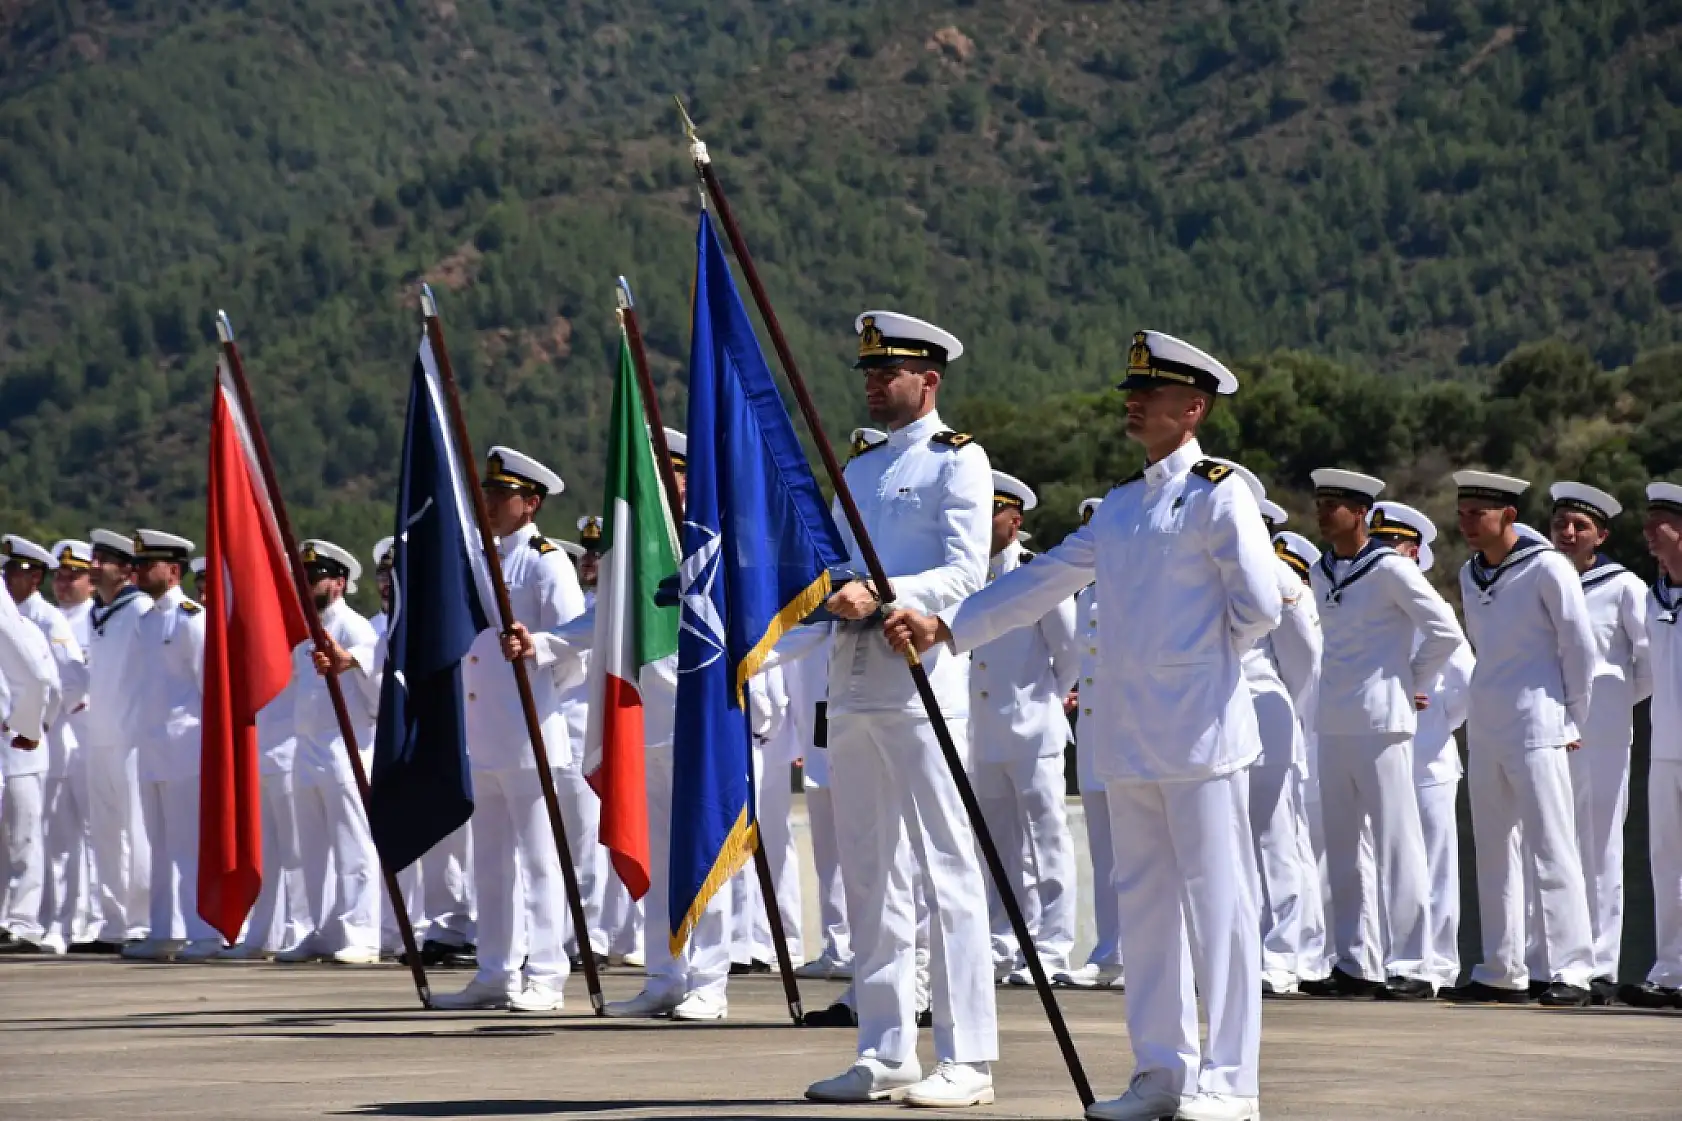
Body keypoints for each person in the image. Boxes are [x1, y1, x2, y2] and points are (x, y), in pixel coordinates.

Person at [887, 329, 1280, 1121]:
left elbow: (1260, 607)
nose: (1133, 402)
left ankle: (1232, 1082)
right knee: (1143, 910)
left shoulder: (1219, 492)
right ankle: (1160, 1072)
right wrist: (947, 627)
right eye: (1132, 391)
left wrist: (1196, 664)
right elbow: (1043, 579)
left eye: (1152, 393)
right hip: (1130, 738)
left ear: (1192, 407)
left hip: (1202, 735)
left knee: (1221, 908)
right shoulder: (1127, 506)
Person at [803, 311, 998, 1110]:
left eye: (891, 373)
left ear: (931, 380)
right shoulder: (859, 468)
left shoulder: (961, 462)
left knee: (947, 869)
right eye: (870, 374)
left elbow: (964, 573)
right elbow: (836, 564)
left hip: (920, 685)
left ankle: (969, 1056)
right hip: (853, 683)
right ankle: (885, 1047)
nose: (876, 384)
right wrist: (834, 592)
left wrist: (882, 593)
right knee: (870, 871)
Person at [433, 447, 585, 1012]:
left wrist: (538, 651)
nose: (490, 504)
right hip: (486, 731)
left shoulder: (547, 562)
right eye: (487, 494)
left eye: (501, 495)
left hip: (530, 730)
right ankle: (495, 969)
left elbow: (579, 645)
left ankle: (546, 973)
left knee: (541, 860)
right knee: (490, 861)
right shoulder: (481, 558)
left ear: (531, 503)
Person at [1302, 471, 1463, 1001]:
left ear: (1362, 514)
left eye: (1336, 505)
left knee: (1398, 843)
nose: (1324, 513)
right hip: (1336, 720)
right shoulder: (1321, 572)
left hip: (1382, 722)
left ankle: (1413, 962)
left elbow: (1445, 631)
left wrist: (1409, 682)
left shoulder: (1390, 569)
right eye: (1321, 503)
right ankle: (1354, 960)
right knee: (1345, 849)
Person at [1441, 471, 1597, 1007]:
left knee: (1552, 846)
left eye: (1476, 514)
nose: (1466, 523)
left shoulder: (1548, 567)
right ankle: (1500, 967)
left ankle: (1571, 970)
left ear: (1508, 515)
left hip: (1537, 722)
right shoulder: (1469, 572)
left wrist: (1573, 716)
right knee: (1493, 850)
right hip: (1487, 724)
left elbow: (1578, 648)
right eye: (1462, 513)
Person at [968, 469, 1079, 987]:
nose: (984, 521)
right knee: (997, 845)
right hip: (981, 731)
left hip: (1033, 728)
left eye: (994, 511)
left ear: (1015, 520)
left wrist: (1043, 703)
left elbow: (1070, 654)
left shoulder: (1036, 575)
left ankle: (1052, 948)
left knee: (1047, 841)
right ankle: (1002, 942)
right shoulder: (964, 573)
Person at [1547, 481, 1651, 1003]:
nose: (1567, 534)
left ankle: (1601, 962)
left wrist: (1611, 703)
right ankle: (1555, 958)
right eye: (1561, 524)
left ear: (1600, 535)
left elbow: (1649, 661)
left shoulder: (1624, 586)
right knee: (1550, 839)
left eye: (1579, 527)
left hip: (1605, 730)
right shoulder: (1539, 578)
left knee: (1601, 841)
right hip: (1548, 727)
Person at [1365, 502, 1475, 991]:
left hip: (1429, 757)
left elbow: (1467, 688)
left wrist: (1426, 716)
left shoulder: (1434, 610)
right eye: (1377, 544)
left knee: (1434, 864)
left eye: (1393, 546)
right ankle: (1395, 962)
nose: (1384, 554)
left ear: (1414, 553)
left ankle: (1439, 966)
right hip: (1380, 758)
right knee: (1388, 864)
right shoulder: (1367, 611)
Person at [1225, 471, 1320, 999]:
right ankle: (1243, 950)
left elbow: (1305, 659)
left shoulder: (1280, 579)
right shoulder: (1208, 573)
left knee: (1272, 837)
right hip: (1222, 714)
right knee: (1232, 836)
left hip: (1267, 710)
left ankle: (1282, 956)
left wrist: (1291, 714)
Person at [274, 540, 384, 966]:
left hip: (346, 748)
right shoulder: (305, 634)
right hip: (308, 749)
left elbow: (377, 693)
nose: (306, 585)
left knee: (354, 846)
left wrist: (351, 664)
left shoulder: (355, 629)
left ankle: (362, 933)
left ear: (338, 583)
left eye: (314, 577)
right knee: (312, 850)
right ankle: (321, 929)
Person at [121, 529, 216, 961]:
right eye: (137, 565)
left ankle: (204, 932)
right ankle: (165, 929)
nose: (139, 572)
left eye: (148, 565)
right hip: (153, 748)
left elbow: (209, 688)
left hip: (186, 748)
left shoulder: (192, 619)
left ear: (173, 571)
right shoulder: (145, 620)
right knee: (158, 844)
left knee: (188, 845)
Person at [3, 537, 91, 955]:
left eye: (15, 572)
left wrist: (38, 724)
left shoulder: (44, 620)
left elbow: (64, 684)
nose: (7, 578)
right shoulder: (12, 614)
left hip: (40, 743)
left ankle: (31, 920)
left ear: (33, 577)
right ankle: (13, 917)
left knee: (36, 836)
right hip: (16, 744)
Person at [1621, 482, 1682, 1009]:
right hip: (1665, 745)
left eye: (1657, 524)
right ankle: (1671, 970)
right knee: (1665, 860)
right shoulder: (1651, 596)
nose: (1647, 534)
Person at [1063, 497, 1125, 990]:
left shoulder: (1138, 589)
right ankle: (1109, 951)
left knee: (1135, 849)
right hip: (1093, 729)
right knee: (1103, 848)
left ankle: (1132, 952)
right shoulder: (1087, 595)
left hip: (1128, 731)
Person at [80, 529, 153, 951]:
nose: (94, 566)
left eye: (103, 559)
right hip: (100, 735)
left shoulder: (141, 611)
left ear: (126, 570)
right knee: (105, 832)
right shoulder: (97, 613)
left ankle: (141, 921)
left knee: (136, 831)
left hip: (132, 738)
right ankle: (113, 923)